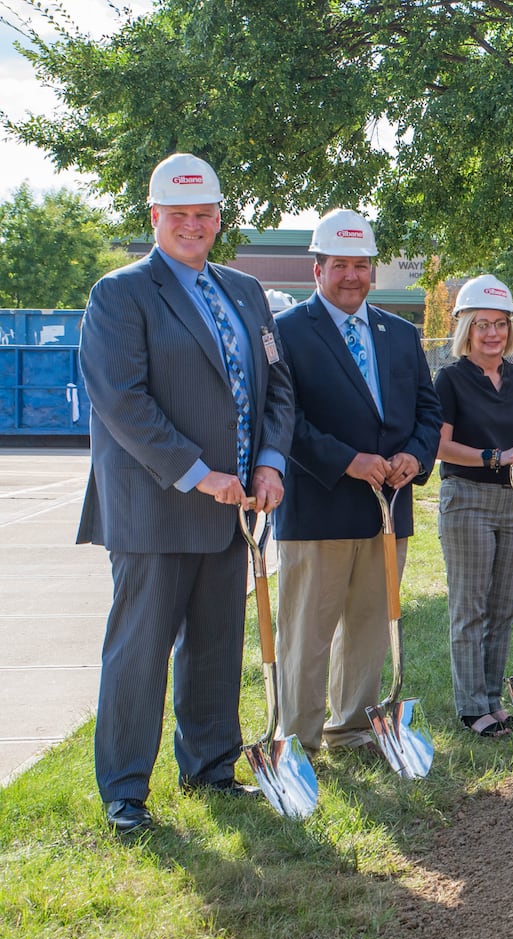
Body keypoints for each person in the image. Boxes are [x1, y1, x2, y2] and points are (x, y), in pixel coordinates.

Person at [76, 153, 295, 833]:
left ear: (219, 218)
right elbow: (124, 401)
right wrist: (201, 473)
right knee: (139, 655)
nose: (193, 226)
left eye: (204, 215)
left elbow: (277, 387)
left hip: (235, 507)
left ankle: (209, 769)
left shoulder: (247, 293)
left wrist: (269, 462)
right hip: (154, 508)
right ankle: (125, 792)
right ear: (155, 217)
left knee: (215, 646)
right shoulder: (121, 295)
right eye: (180, 216)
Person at [273, 210, 442, 752]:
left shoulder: (400, 333)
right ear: (317, 269)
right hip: (318, 505)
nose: (352, 275)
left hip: (387, 507)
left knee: (371, 627)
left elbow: (428, 411)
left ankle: (351, 729)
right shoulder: (287, 332)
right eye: (340, 264)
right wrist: (348, 460)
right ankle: (297, 740)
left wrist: (415, 458)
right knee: (307, 635)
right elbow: (285, 418)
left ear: (373, 270)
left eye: (362, 265)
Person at [432, 275, 513, 734]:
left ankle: (495, 699)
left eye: (500, 324)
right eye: (482, 324)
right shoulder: (451, 379)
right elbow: (442, 446)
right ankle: (471, 706)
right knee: (471, 607)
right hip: (469, 500)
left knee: (504, 606)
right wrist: (495, 456)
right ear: (466, 328)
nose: (492, 333)